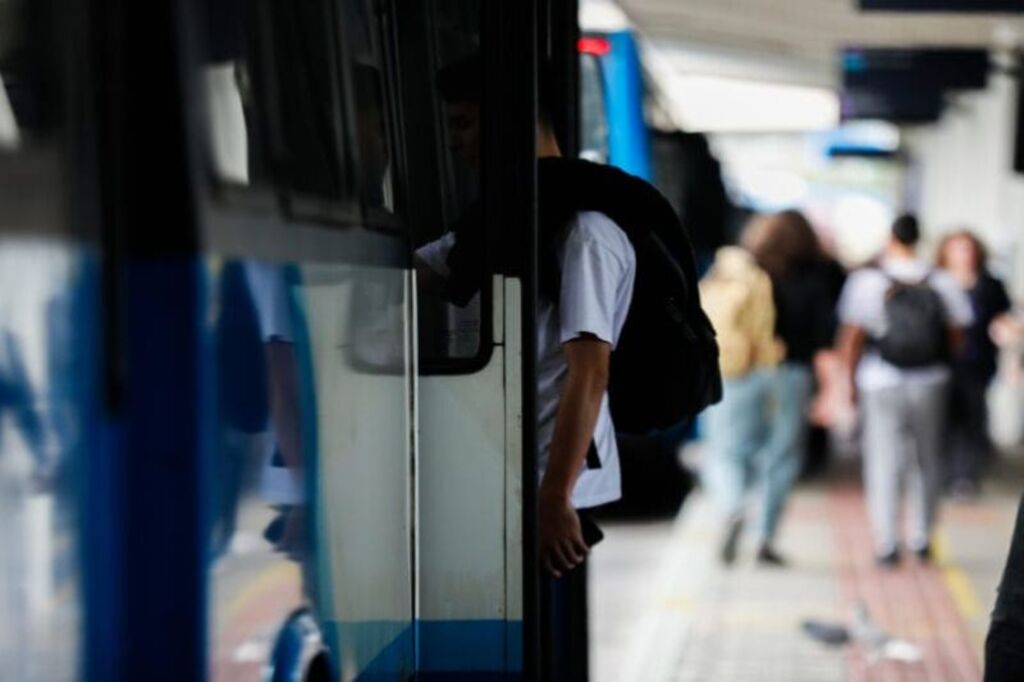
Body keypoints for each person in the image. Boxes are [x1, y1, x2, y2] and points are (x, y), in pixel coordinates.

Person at [415, 57, 635, 681]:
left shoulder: (584, 233)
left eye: (465, 124)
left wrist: (555, 496)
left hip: (549, 483)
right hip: (515, 475)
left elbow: (589, 372)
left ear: (508, 123)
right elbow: (420, 272)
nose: (455, 142)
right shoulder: (506, 223)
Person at [836, 214, 972, 567]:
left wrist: (847, 384)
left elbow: (852, 337)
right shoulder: (942, 280)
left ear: (890, 238)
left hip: (879, 379)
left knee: (883, 459)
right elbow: (958, 335)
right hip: (931, 379)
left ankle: (886, 543)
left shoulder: (867, 280)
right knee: (927, 458)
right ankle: (922, 536)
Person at [742, 210, 840, 565]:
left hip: (745, 372)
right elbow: (825, 338)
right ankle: (764, 536)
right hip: (793, 374)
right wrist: (831, 390)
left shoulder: (748, 268)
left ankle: (734, 507)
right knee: (782, 456)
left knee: (739, 449)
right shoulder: (818, 275)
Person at [699, 241, 784, 565]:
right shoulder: (759, 281)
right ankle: (752, 519)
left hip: (722, 373)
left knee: (722, 453)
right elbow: (765, 327)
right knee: (752, 452)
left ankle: (730, 508)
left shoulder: (713, 283)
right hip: (756, 372)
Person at [935, 230, 1012, 499]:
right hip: (942, 363)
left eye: (968, 248)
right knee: (944, 419)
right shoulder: (937, 282)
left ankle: (965, 475)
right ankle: (943, 472)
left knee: (972, 418)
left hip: (977, 363)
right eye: (958, 248)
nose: (964, 254)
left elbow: (1002, 317)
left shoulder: (990, 285)